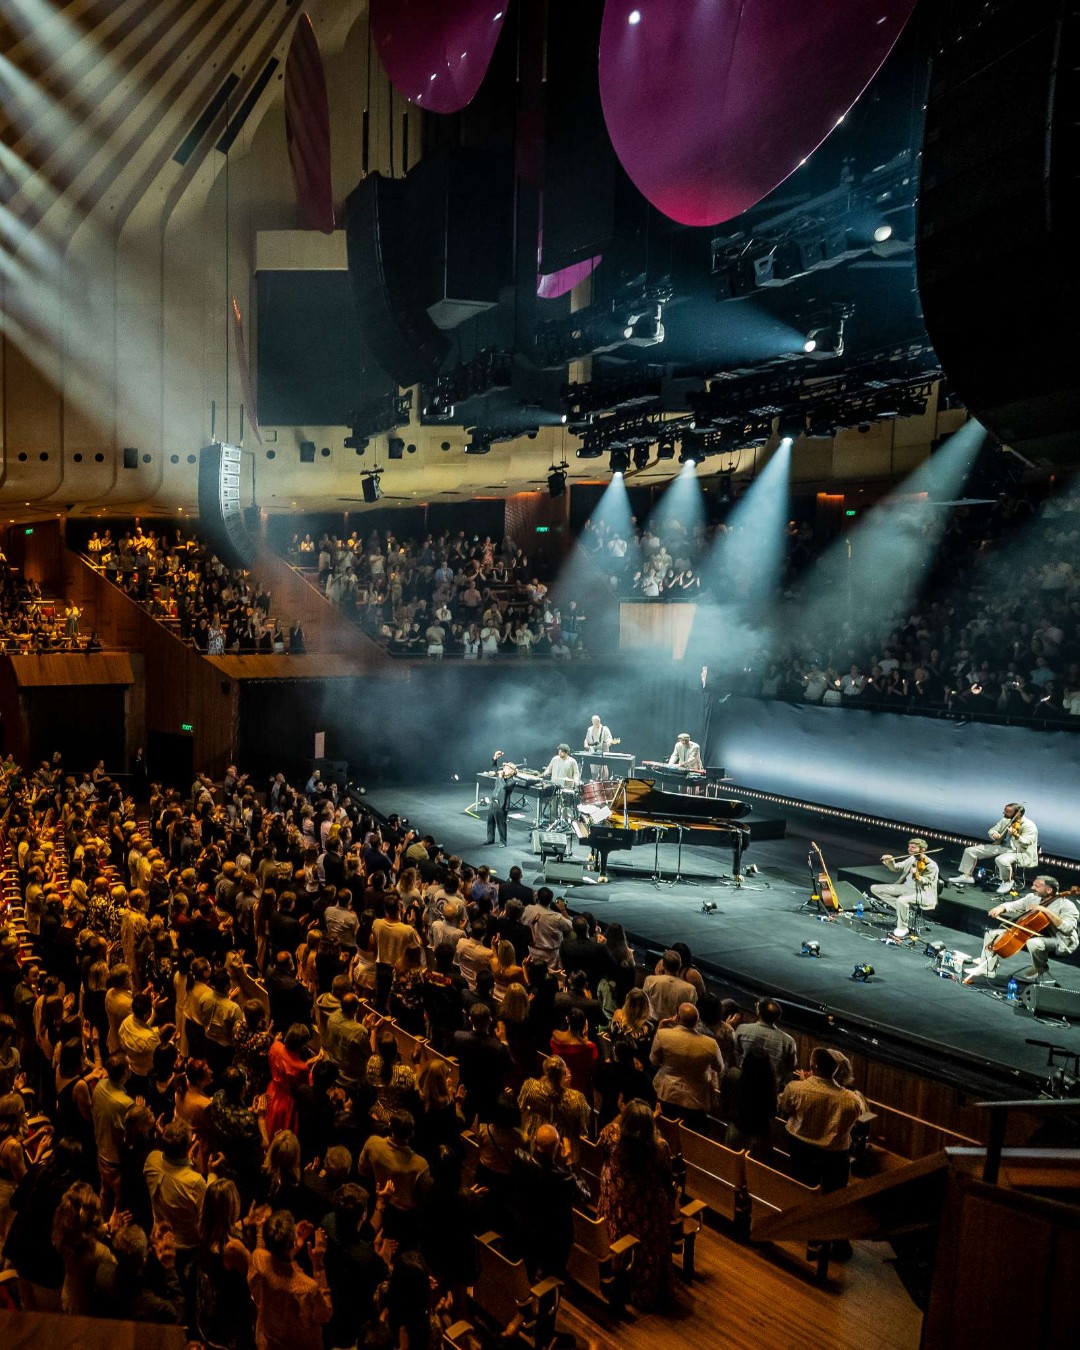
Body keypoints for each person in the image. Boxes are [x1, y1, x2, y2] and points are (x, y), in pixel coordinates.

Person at [596, 1099, 675, 1310]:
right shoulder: (660, 1149)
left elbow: (613, 1131)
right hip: (648, 1221)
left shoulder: (611, 1140)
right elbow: (667, 1182)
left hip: (616, 1214)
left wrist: (623, 1113)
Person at [963, 874, 1079, 986]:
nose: (1032, 887)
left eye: (1036, 886)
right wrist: (1001, 907)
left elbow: (1068, 929)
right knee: (992, 934)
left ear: (1049, 890)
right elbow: (1015, 905)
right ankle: (986, 969)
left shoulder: (1067, 905)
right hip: (1033, 934)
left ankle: (1040, 967)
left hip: (1060, 940)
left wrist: (1047, 912)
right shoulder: (1033, 898)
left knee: (1033, 943)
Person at [778, 1047, 865, 1195]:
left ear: (813, 1066)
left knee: (801, 1188)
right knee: (833, 1195)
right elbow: (859, 1118)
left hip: (800, 1149)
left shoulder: (795, 1089)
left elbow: (784, 1108)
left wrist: (805, 1084)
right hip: (835, 1156)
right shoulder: (853, 1100)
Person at [247, 1207, 332, 1350]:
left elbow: (269, 1257)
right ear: (291, 1243)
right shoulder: (307, 1287)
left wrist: (292, 1244)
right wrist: (318, 1265)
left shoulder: (258, 1259)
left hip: (267, 1342)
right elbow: (325, 1314)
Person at [650, 1003, 724, 1134]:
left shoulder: (662, 1035)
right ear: (697, 1021)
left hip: (667, 1093)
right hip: (696, 1101)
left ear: (677, 1018)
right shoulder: (710, 1044)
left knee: (666, 1132)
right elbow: (719, 1067)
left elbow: (654, 1061)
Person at [948, 802, 1040, 894]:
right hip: (1003, 846)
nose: (1004, 814)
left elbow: (1027, 842)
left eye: (1007, 812)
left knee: (1001, 860)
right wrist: (993, 834)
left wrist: (1016, 835)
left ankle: (1007, 881)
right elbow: (992, 830)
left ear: (1018, 813)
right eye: (1004, 811)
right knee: (970, 851)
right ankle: (967, 876)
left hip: (1020, 851)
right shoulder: (1006, 820)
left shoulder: (1029, 826)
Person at [870, 837, 940, 939]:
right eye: (909, 847)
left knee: (901, 901)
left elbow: (926, 881)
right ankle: (904, 911)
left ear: (922, 850)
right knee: (875, 888)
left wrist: (917, 876)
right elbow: (896, 868)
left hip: (921, 892)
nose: (910, 849)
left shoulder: (931, 865)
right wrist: (891, 861)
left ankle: (903, 928)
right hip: (906, 887)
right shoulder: (911, 858)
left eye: (913, 847)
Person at [733, 997, 798, 1085]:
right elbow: (791, 1067)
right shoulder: (788, 1041)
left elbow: (736, 1053)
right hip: (771, 1087)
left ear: (758, 1012)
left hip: (743, 1081)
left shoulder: (742, 1029)